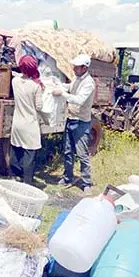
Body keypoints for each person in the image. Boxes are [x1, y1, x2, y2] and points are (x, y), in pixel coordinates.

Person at [52, 54, 95, 194]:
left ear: (84, 68)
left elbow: (79, 100)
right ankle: (67, 177)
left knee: (82, 154)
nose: (74, 68)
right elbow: (70, 87)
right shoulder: (77, 78)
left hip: (81, 122)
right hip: (71, 119)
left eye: (76, 66)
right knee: (68, 151)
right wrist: (59, 85)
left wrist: (62, 94)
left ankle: (86, 182)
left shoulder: (89, 83)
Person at [9, 55, 44, 185]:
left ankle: (14, 176)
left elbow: (16, 75)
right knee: (30, 153)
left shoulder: (15, 82)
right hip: (30, 123)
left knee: (16, 149)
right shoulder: (36, 87)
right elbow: (39, 106)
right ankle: (27, 181)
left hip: (17, 122)